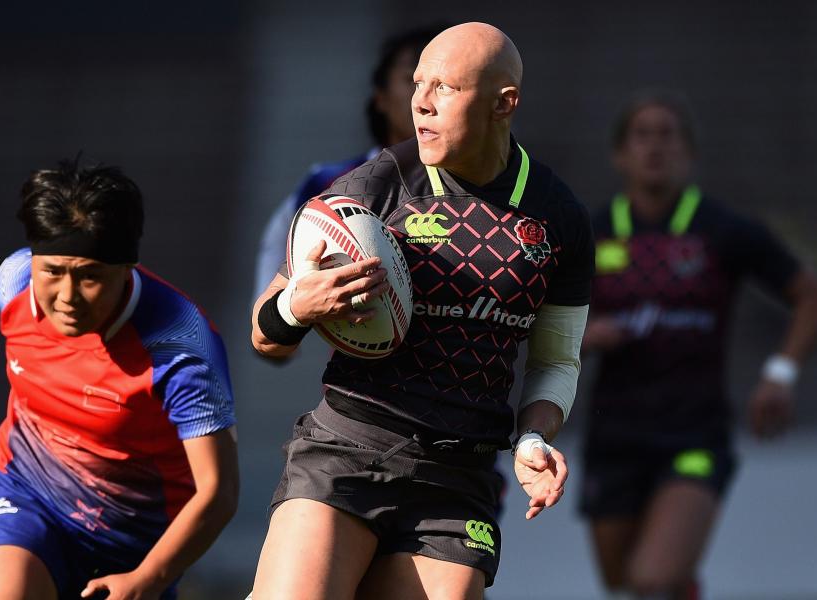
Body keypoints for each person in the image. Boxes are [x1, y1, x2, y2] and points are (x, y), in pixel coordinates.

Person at [249, 22, 594, 599]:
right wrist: (296, 305)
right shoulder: (374, 188)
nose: (421, 104)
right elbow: (266, 338)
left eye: (446, 88)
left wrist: (532, 439)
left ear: (503, 103)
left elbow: (556, 362)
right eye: (418, 84)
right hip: (346, 449)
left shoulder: (559, 218)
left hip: (457, 481)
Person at [579, 91, 817, 599]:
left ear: (689, 152)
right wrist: (582, 337)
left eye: (667, 134)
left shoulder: (723, 230)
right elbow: (544, 318)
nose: (655, 147)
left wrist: (779, 374)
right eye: (643, 135)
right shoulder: (593, 233)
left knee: (651, 578)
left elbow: (816, 300)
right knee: (621, 580)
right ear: (620, 154)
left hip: (693, 433)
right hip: (613, 435)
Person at [0, 159, 239, 600]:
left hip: (136, 549)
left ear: (128, 267)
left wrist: (147, 579)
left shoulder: (179, 346)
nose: (66, 297)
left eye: (90, 276)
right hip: (26, 496)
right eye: (52, 271)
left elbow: (218, 492)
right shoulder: (13, 282)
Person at [253, 25, 444, 298]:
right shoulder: (326, 185)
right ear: (381, 98)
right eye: (413, 80)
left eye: (445, 84)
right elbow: (268, 305)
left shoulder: (492, 186)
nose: (427, 96)